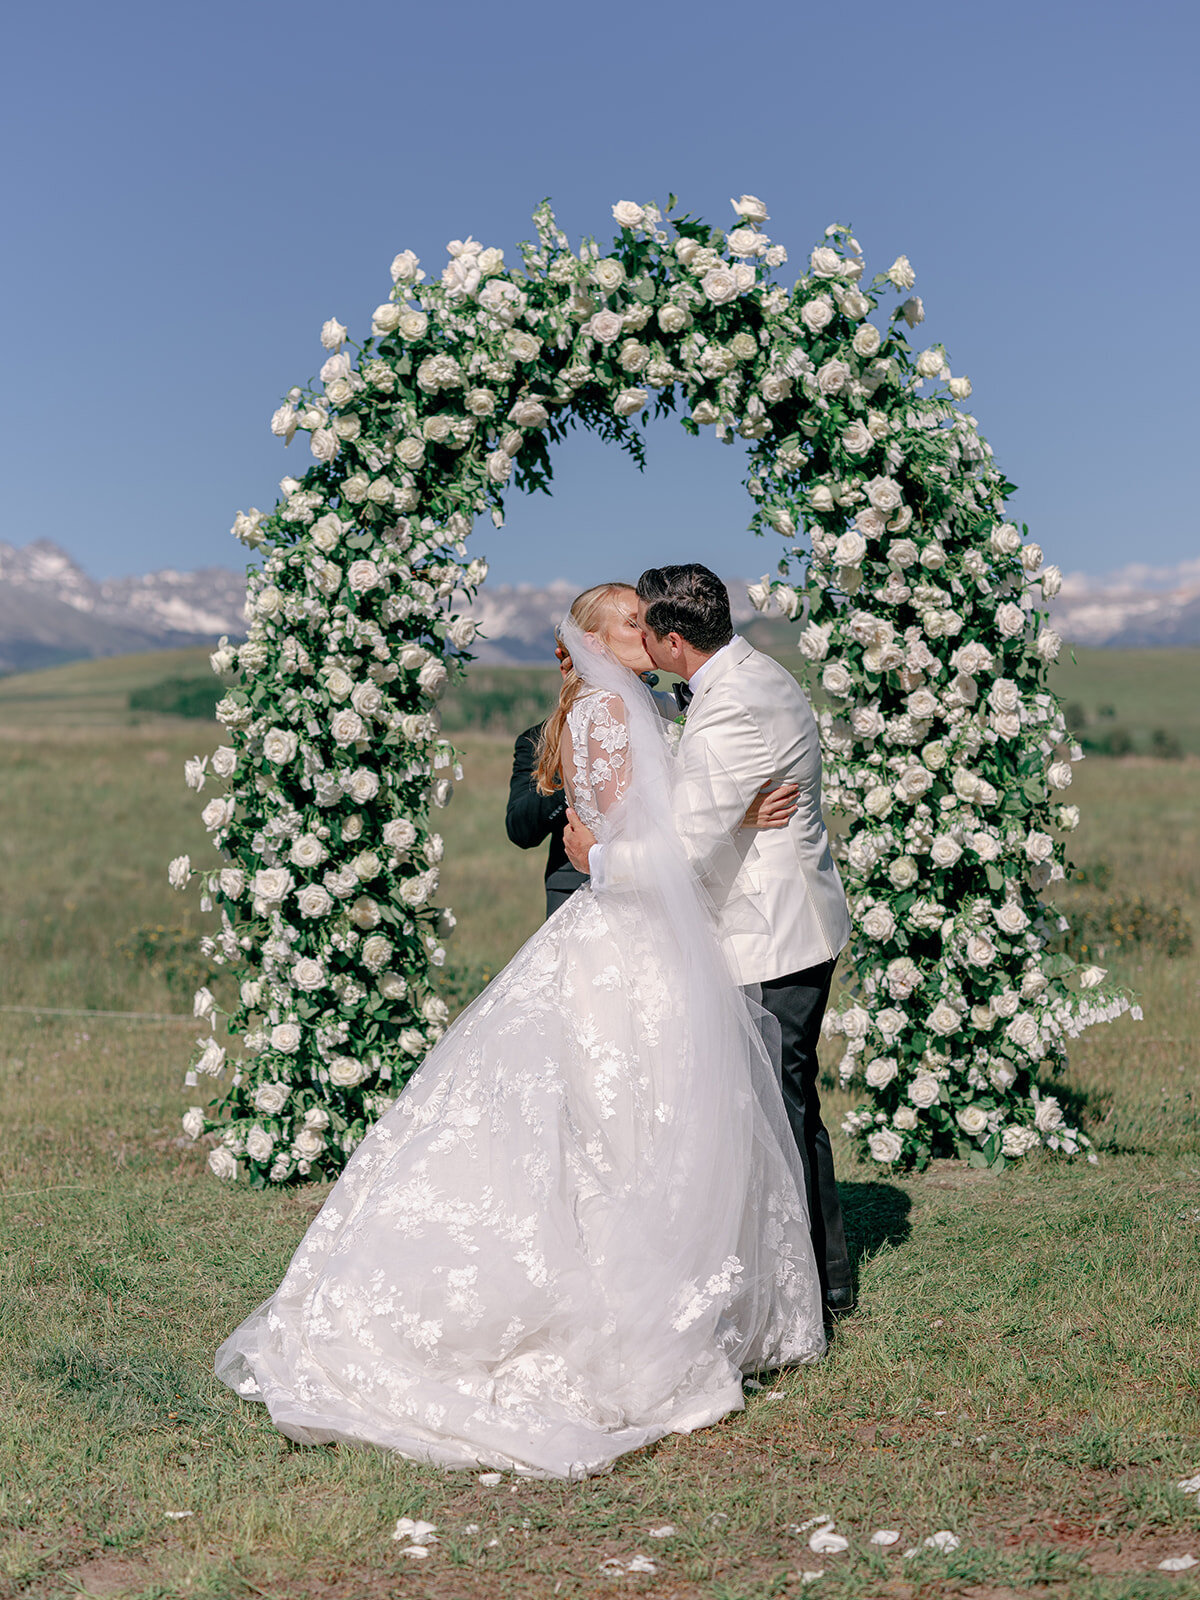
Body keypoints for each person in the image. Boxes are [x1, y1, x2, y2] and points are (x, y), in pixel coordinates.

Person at [215, 581, 826, 1479]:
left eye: (643, 623)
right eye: (623, 624)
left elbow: (680, 812)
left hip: (646, 918)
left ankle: (695, 1274)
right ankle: (628, 1293)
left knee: (652, 1108)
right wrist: (689, 826)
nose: (640, 637)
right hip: (625, 915)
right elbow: (641, 830)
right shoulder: (607, 717)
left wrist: (733, 808)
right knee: (619, 1109)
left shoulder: (652, 707)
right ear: (588, 640)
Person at [565, 565, 855, 1315]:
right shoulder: (749, 674)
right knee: (774, 1104)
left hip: (770, 934)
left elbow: (684, 845)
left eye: (643, 627)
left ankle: (815, 1289)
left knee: (777, 1108)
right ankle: (795, 1275)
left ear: (670, 639)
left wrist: (594, 861)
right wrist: (738, 815)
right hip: (763, 920)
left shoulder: (730, 708)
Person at [506, 647, 590, 918]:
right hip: (576, 892)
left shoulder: (661, 719)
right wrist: (572, 773)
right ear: (566, 668)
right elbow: (521, 830)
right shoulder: (537, 740)